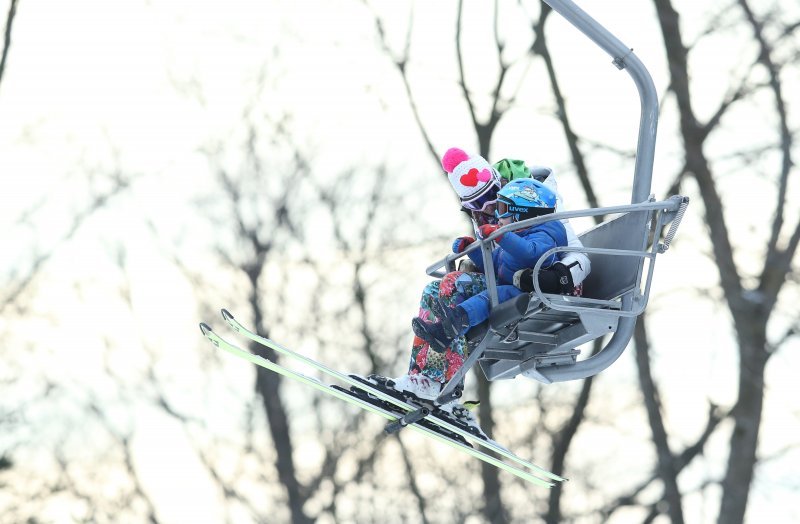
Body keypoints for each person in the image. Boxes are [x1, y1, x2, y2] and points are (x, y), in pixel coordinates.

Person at [412, 178, 567, 353]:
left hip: (525, 290)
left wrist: (502, 237)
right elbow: (494, 264)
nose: (498, 217)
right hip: (505, 284)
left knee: (490, 295)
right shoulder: (515, 236)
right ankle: (439, 332)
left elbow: (533, 254)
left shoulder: (544, 234)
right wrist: (472, 250)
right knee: (437, 287)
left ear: (522, 212)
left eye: (502, 209)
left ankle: (459, 319)